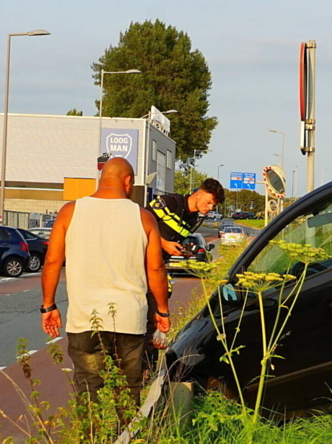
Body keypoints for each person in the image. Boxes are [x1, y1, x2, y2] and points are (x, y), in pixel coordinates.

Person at [40, 157, 170, 405]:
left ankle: (90, 442)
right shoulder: (143, 218)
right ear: (128, 181)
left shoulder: (70, 211)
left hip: (84, 319)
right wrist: (162, 311)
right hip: (130, 320)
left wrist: (48, 305)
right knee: (128, 389)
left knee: (89, 391)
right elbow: (155, 268)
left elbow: (52, 262)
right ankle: (126, 440)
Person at [142, 177, 224, 367]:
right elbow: (140, 222)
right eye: (209, 202)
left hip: (159, 268)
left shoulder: (194, 220)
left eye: (214, 205)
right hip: (140, 263)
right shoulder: (170, 202)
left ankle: (149, 367)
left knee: (155, 318)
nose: (210, 207)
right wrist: (163, 243)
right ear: (198, 193)